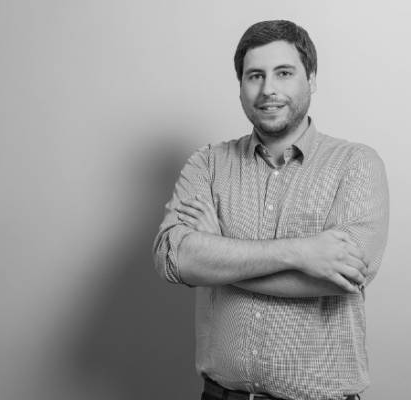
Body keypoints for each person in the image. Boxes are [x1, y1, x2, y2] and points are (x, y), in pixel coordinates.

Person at [152, 20, 389, 400]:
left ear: (311, 79)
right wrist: (301, 252)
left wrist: (219, 255)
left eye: (284, 73)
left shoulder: (356, 164)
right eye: (255, 76)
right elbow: (174, 259)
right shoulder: (208, 164)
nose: (268, 90)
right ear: (241, 86)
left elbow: (344, 276)